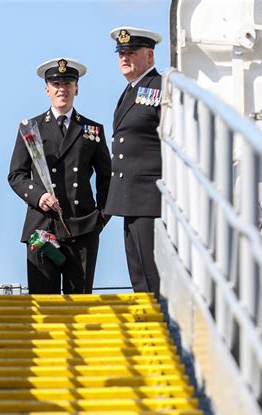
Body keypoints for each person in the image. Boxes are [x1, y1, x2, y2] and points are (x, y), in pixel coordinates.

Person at [8, 58, 111, 294]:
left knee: (80, 308)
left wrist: (100, 218)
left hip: (82, 228)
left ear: (77, 88)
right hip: (42, 227)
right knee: (44, 307)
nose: (62, 89)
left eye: (68, 82)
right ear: (47, 89)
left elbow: (108, 177)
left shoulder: (92, 130)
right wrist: (38, 196)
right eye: (56, 83)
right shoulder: (30, 128)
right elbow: (17, 174)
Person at [104, 27, 163, 297]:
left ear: (149, 56)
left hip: (149, 194)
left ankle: (161, 325)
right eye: (121, 53)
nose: (124, 58)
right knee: (138, 272)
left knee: (151, 273)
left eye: (131, 52)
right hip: (130, 197)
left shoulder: (159, 88)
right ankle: (149, 322)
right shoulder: (129, 92)